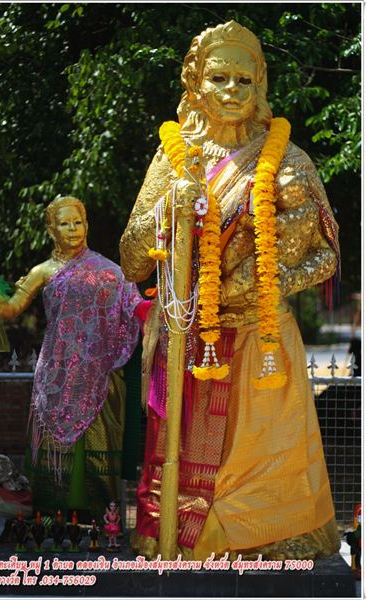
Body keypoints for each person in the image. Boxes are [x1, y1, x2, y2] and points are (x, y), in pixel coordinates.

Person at [120, 21, 340, 560]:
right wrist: (171, 204)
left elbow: (328, 256)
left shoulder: (287, 160)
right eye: (219, 78)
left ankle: (268, 542)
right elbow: (131, 261)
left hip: (262, 341)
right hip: (187, 336)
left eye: (245, 79)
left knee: (270, 464)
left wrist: (265, 282)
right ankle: (181, 542)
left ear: (260, 83)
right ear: (195, 83)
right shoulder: (173, 158)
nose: (233, 91)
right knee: (178, 464)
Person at [0, 196, 144, 518]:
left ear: (87, 225)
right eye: (64, 223)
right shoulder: (42, 271)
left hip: (96, 372)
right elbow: (11, 308)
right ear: (52, 230)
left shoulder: (109, 272)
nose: (73, 229)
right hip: (56, 372)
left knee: (97, 443)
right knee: (53, 446)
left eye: (78, 222)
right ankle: (51, 517)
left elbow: (134, 307)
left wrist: (159, 308)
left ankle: (101, 517)